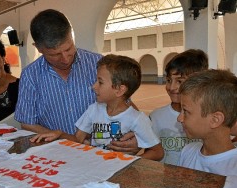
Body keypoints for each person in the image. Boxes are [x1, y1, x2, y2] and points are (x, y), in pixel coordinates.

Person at [15, 9, 139, 155]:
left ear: (71, 35)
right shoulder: (30, 75)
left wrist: (136, 136)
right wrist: (63, 139)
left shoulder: (98, 64)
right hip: (57, 152)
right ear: (38, 48)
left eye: (68, 49)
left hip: (104, 152)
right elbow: (27, 122)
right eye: (54, 55)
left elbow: (125, 104)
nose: (65, 58)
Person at [30, 54, 164, 160]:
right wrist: (59, 133)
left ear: (119, 90)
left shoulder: (137, 119)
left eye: (100, 82)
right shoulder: (93, 110)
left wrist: (130, 163)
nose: (93, 86)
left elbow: (157, 152)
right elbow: (78, 140)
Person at [149, 49, 208, 165]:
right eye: (169, 80)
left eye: (180, 81)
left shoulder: (208, 118)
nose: (171, 87)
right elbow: (151, 151)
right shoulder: (156, 117)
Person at [177, 69, 237, 177]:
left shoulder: (233, 169)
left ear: (215, 120)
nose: (179, 118)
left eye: (185, 111)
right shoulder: (188, 152)